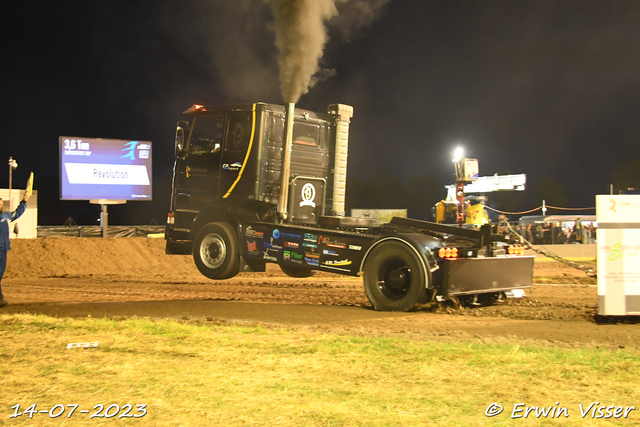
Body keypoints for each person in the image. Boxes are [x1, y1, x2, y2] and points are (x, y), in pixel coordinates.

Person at [0, 192, 29, 307]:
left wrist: (24, 201)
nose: (1, 206)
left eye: (1, 204)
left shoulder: (6, 216)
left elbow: (17, 213)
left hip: (3, 250)